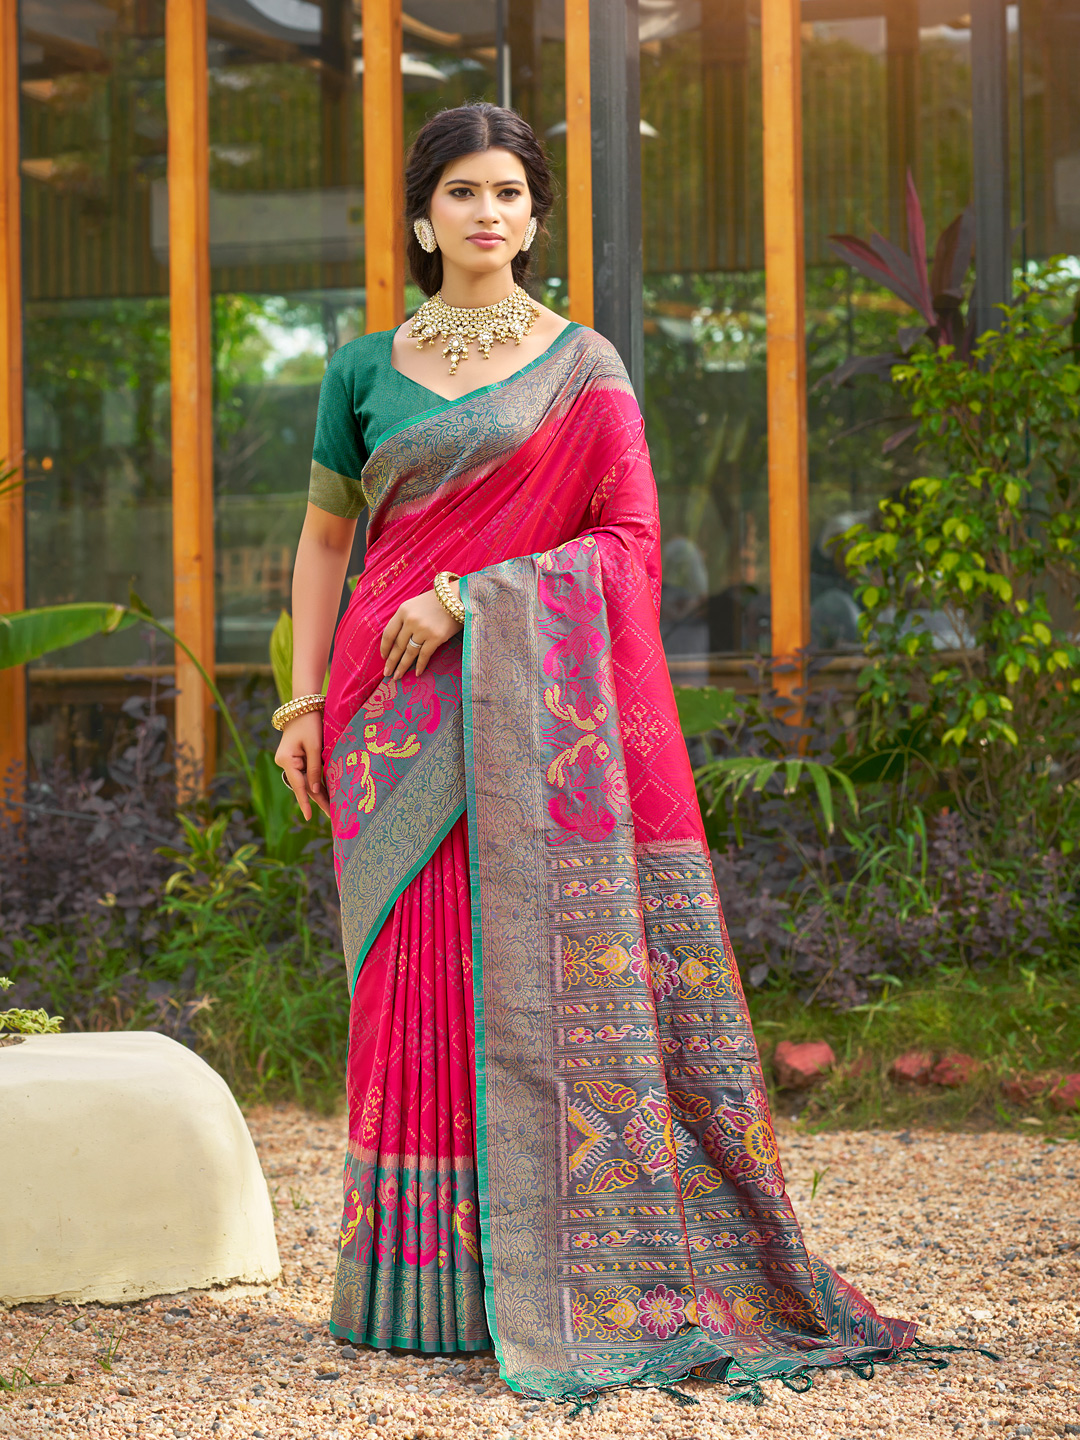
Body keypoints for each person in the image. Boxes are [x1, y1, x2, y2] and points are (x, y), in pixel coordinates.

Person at [274, 102, 928, 1405]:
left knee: (514, 976)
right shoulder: (361, 371)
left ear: (534, 215)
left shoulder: (584, 368)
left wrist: (467, 598)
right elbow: (324, 544)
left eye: (510, 192)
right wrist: (301, 703)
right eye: (462, 192)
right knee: (402, 987)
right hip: (384, 710)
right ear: (422, 218)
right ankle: (408, 1292)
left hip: (528, 712)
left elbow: (627, 546)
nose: (488, 213)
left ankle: (539, 1287)